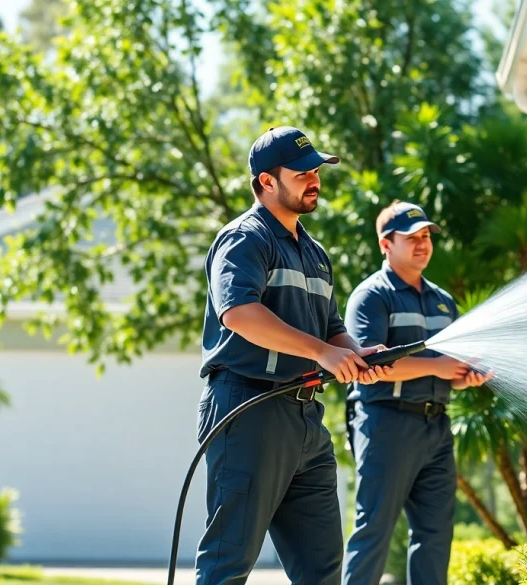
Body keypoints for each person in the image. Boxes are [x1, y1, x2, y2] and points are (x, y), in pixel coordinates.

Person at [196, 126, 392, 585]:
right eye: (302, 171)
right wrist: (322, 352)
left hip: (305, 420)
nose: (314, 178)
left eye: (317, 170)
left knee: (322, 569)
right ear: (267, 181)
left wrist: (359, 356)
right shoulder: (245, 239)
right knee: (228, 564)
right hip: (246, 410)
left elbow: (331, 330)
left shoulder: (315, 253)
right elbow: (239, 313)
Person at [341, 201, 491, 585]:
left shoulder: (443, 301)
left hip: (436, 426)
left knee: (435, 535)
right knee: (373, 529)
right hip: (385, 423)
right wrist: (436, 366)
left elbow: (448, 370)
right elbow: (367, 366)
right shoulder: (371, 297)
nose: (422, 244)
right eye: (412, 238)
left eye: (426, 236)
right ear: (385, 244)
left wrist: (463, 376)